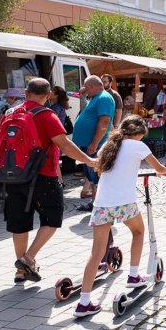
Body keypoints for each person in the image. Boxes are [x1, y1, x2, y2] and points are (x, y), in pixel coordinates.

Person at [73, 115, 166, 317]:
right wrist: (163, 172)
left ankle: (84, 303)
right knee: (138, 232)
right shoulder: (138, 146)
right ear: (139, 133)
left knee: (97, 252)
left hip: (101, 204)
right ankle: (134, 275)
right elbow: (158, 168)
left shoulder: (108, 145)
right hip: (124, 203)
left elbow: (101, 172)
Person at [6, 78, 98, 284]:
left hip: (13, 175)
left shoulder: (11, 113)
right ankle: (27, 259)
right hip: (42, 175)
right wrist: (90, 161)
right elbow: (65, 145)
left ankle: (21, 270)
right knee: (52, 219)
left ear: (26, 92)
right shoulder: (47, 116)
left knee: (19, 222)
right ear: (48, 96)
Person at [73, 76, 115, 211]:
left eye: (86, 87)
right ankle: (95, 203)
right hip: (89, 145)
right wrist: (82, 96)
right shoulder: (95, 98)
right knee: (91, 175)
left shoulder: (103, 98)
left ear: (91, 86)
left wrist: (94, 143)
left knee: (96, 175)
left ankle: (99, 205)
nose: (85, 89)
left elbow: (104, 122)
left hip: (95, 145)